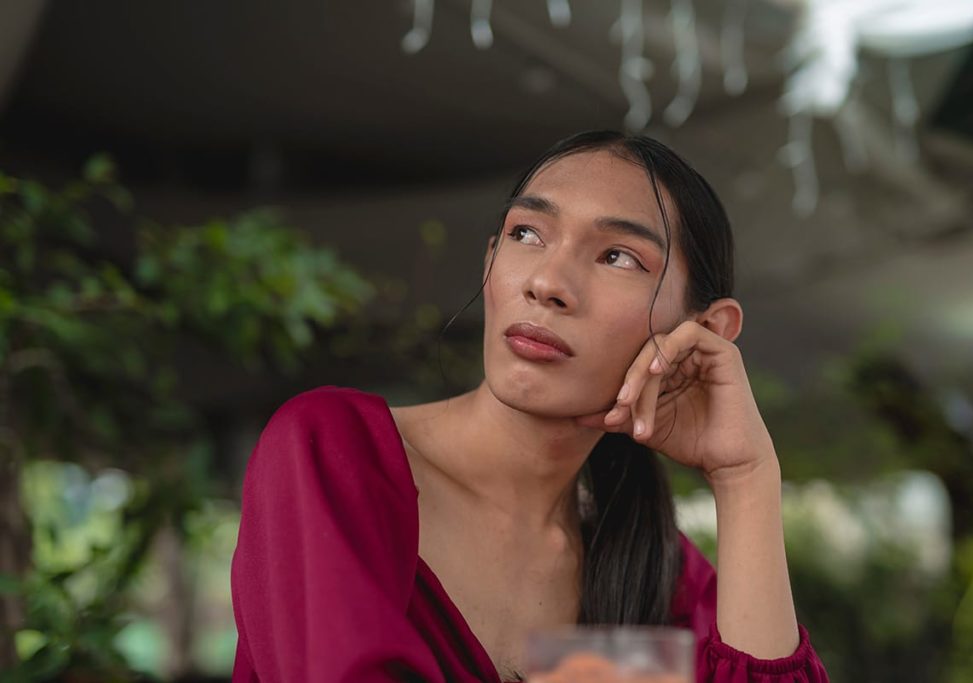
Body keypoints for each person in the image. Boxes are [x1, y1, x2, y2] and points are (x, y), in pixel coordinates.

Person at [230, 130, 830, 682]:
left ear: (703, 330)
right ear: (491, 261)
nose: (546, 282)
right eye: (527, 234)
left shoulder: (655, 573)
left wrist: (746, 479)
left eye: (617, 255)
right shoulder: (336, 453)